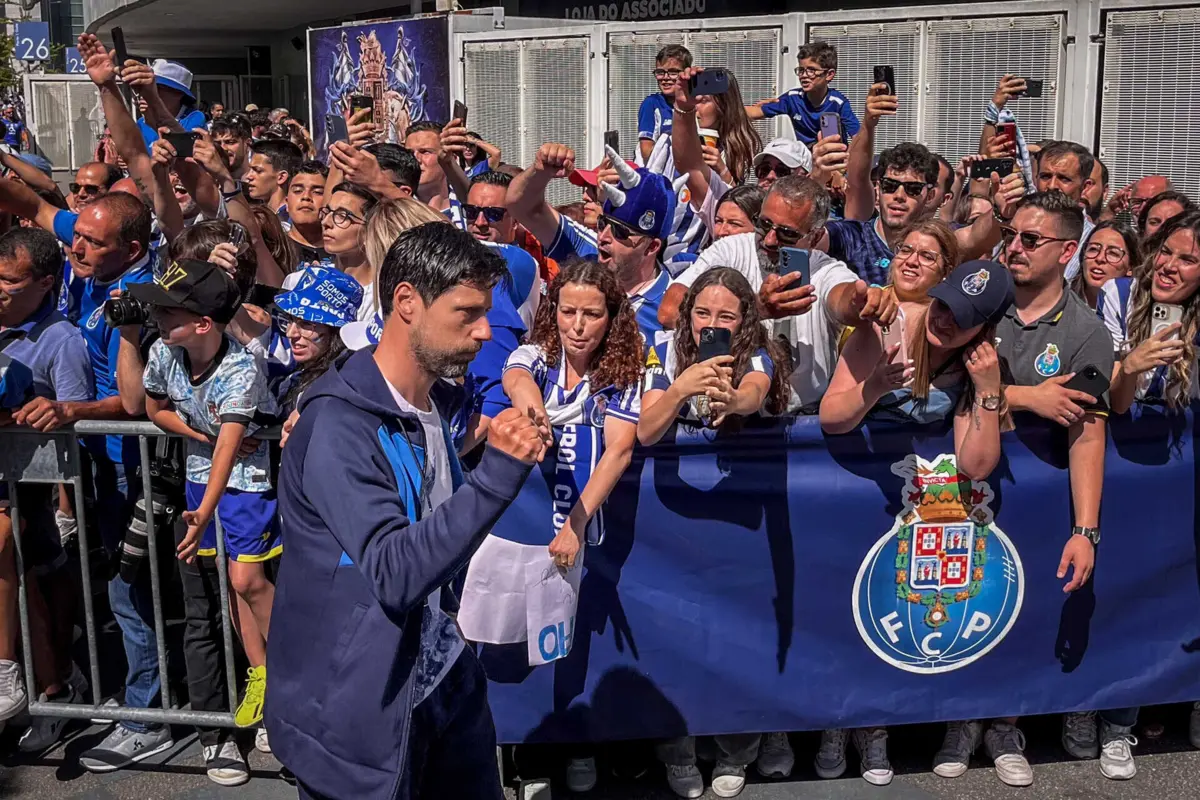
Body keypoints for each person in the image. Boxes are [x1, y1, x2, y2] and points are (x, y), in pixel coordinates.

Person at [268, 222, 545, 799]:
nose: (484, 330)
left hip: (444, 679)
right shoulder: (337, 426)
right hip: (360, 716)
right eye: (466, 313)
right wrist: (497, 477)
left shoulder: (434, 404)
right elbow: (394, 573)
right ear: (406, 303)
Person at [933, 191, 1111, 788]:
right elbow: (945, 380)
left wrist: (1085, 530)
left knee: (1020, 610)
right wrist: (1028, 396)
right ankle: (960, 721)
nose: (1015, 246)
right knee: (962, 604)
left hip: (1035, 501)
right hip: (965, 488)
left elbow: (1088, 435)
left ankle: (1006, 726)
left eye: (1032, 239)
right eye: (1013, 233)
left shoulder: (1087, 331)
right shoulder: (986, 301)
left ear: (1067, 251)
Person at [458, 257, 642, 646]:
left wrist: (575, 524)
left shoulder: (624, 374)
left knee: (562, 632)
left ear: (611, 317)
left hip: (578, 524)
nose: (576, 326)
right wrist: (535, 411)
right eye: (567, 311)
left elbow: (619, 451)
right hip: (517, 523)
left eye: (591, 314)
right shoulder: (539, 353)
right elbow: (516, 376)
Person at [661, 175, 898, 413]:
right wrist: (757, 310)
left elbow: (843, 298)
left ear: (814, 237)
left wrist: (864, 304)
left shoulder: (825, 270)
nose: (770, 240)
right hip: (722, 415)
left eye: (787, 234)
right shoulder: (731, 250)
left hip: (798, 423)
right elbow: (669, 311)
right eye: (764, 224)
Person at [0, 229, 93, 732]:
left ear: (45, 284)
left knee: (39, 586)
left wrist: (66, 511)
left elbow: (74, 420)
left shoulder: (61, 339)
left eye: (10, 282)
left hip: (33, 495)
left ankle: (55, 687)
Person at [508, 143, 675, 340]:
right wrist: (540, 172)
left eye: (619, 232)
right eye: (603, 223)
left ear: (651, 247)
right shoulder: (587, 256)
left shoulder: (670, 306)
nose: (603, 237)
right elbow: (521, 207)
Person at [271, 264, 362, 415]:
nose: (291, 334)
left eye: (306, 324)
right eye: (290, 320)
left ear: (335, 331)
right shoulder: (297, 377)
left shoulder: (340, 388)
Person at [745, 42, 860, 145]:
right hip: (805, 163)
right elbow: (752, 112)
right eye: (801, 70)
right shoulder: (792, 98)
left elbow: (858, 139)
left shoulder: (838, 103)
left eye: (811, 70)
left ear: (829, 74)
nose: (804, 75)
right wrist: (729, 107)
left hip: (832, 160)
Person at [1034, 140, 1096, 281]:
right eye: (1045, 176)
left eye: (1064, 179)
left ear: (1085, 187)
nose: (1052, 186)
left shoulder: (1093, 239)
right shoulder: (1015, 227)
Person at [638, 44, 693, 163]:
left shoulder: (696, 103)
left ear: (686, 73)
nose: (665, 78)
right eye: (660, 72)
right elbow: (646, 152)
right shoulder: (651, 104)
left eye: (673, 72)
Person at [1068, 220, 1139, 309]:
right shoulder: (1060, 299)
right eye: (1093, 249)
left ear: (1131, 267)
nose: (1100, 258)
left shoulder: (1136, 312)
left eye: (1113, 253)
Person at [245, 139, 303, 222]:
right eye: (250, 170)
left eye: (258, 171)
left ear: (281, 177)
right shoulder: (255, 216)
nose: (248, 176)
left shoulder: (292, 220)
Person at [284, 160, 330, 264]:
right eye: (298, 191)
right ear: (286, 203)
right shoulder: (274, 248)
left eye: (317, 192)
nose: (306, 197)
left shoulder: (344, 252)